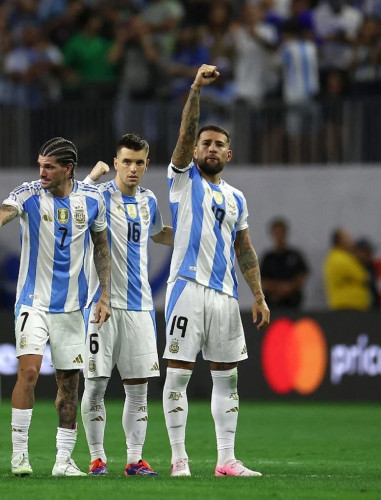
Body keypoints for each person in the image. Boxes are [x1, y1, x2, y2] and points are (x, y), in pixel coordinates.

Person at [0, 137, 112, 477]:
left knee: (69, 386)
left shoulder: (93, 201)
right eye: (39, 164)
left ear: (68, 169)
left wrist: (105, 296)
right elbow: (1, 215)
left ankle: (63, 461)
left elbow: (102, 248)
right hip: (33, 303)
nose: (41, 171)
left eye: (49, 166)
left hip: (73, 308)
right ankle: (19, 456)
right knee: (28, 373)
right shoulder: (28, 194)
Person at [161, 65, 271, 478]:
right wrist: (195, 90)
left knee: (228, 379)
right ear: (194, 150)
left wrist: (257, 296)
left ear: (228, 154)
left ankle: (226, 460)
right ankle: (179, 460)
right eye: (204, 142)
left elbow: (244, 248)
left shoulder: (237, 198)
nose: (209, 147)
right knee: (179, 377)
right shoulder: (183, 180)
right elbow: (184, 135)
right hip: (187, 289)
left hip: (226, 296)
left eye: (218, 144)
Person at [79, 134, 173, 476]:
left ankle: (134, 459)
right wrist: (90, 178)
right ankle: (97, 457)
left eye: (139, 163)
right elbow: (70, 204)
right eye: (126, 162)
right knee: (96, 384)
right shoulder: (99, 196)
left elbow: (159, 233)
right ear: (116, 163)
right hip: (101, 305)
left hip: (140, 308)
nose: (133, 168)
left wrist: (196, 235)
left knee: (138, 387)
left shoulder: (148, 201)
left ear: (147, 165)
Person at [260, 218, 309, 310]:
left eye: (281, 232)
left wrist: (290, 287)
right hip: (272, 302)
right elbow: (261, 281)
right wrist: (278, 288)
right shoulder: (268, 258)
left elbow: (302, 275)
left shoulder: (295, 255)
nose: (279, 236)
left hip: (293, 302)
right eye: (276, 233)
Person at [323, 228, 371, 311]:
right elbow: (362, 276)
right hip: (346, 307)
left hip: (352, 307)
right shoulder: (339, 258)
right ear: (340, 240)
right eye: (348, 237)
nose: (351, 240)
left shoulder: (344, 257)